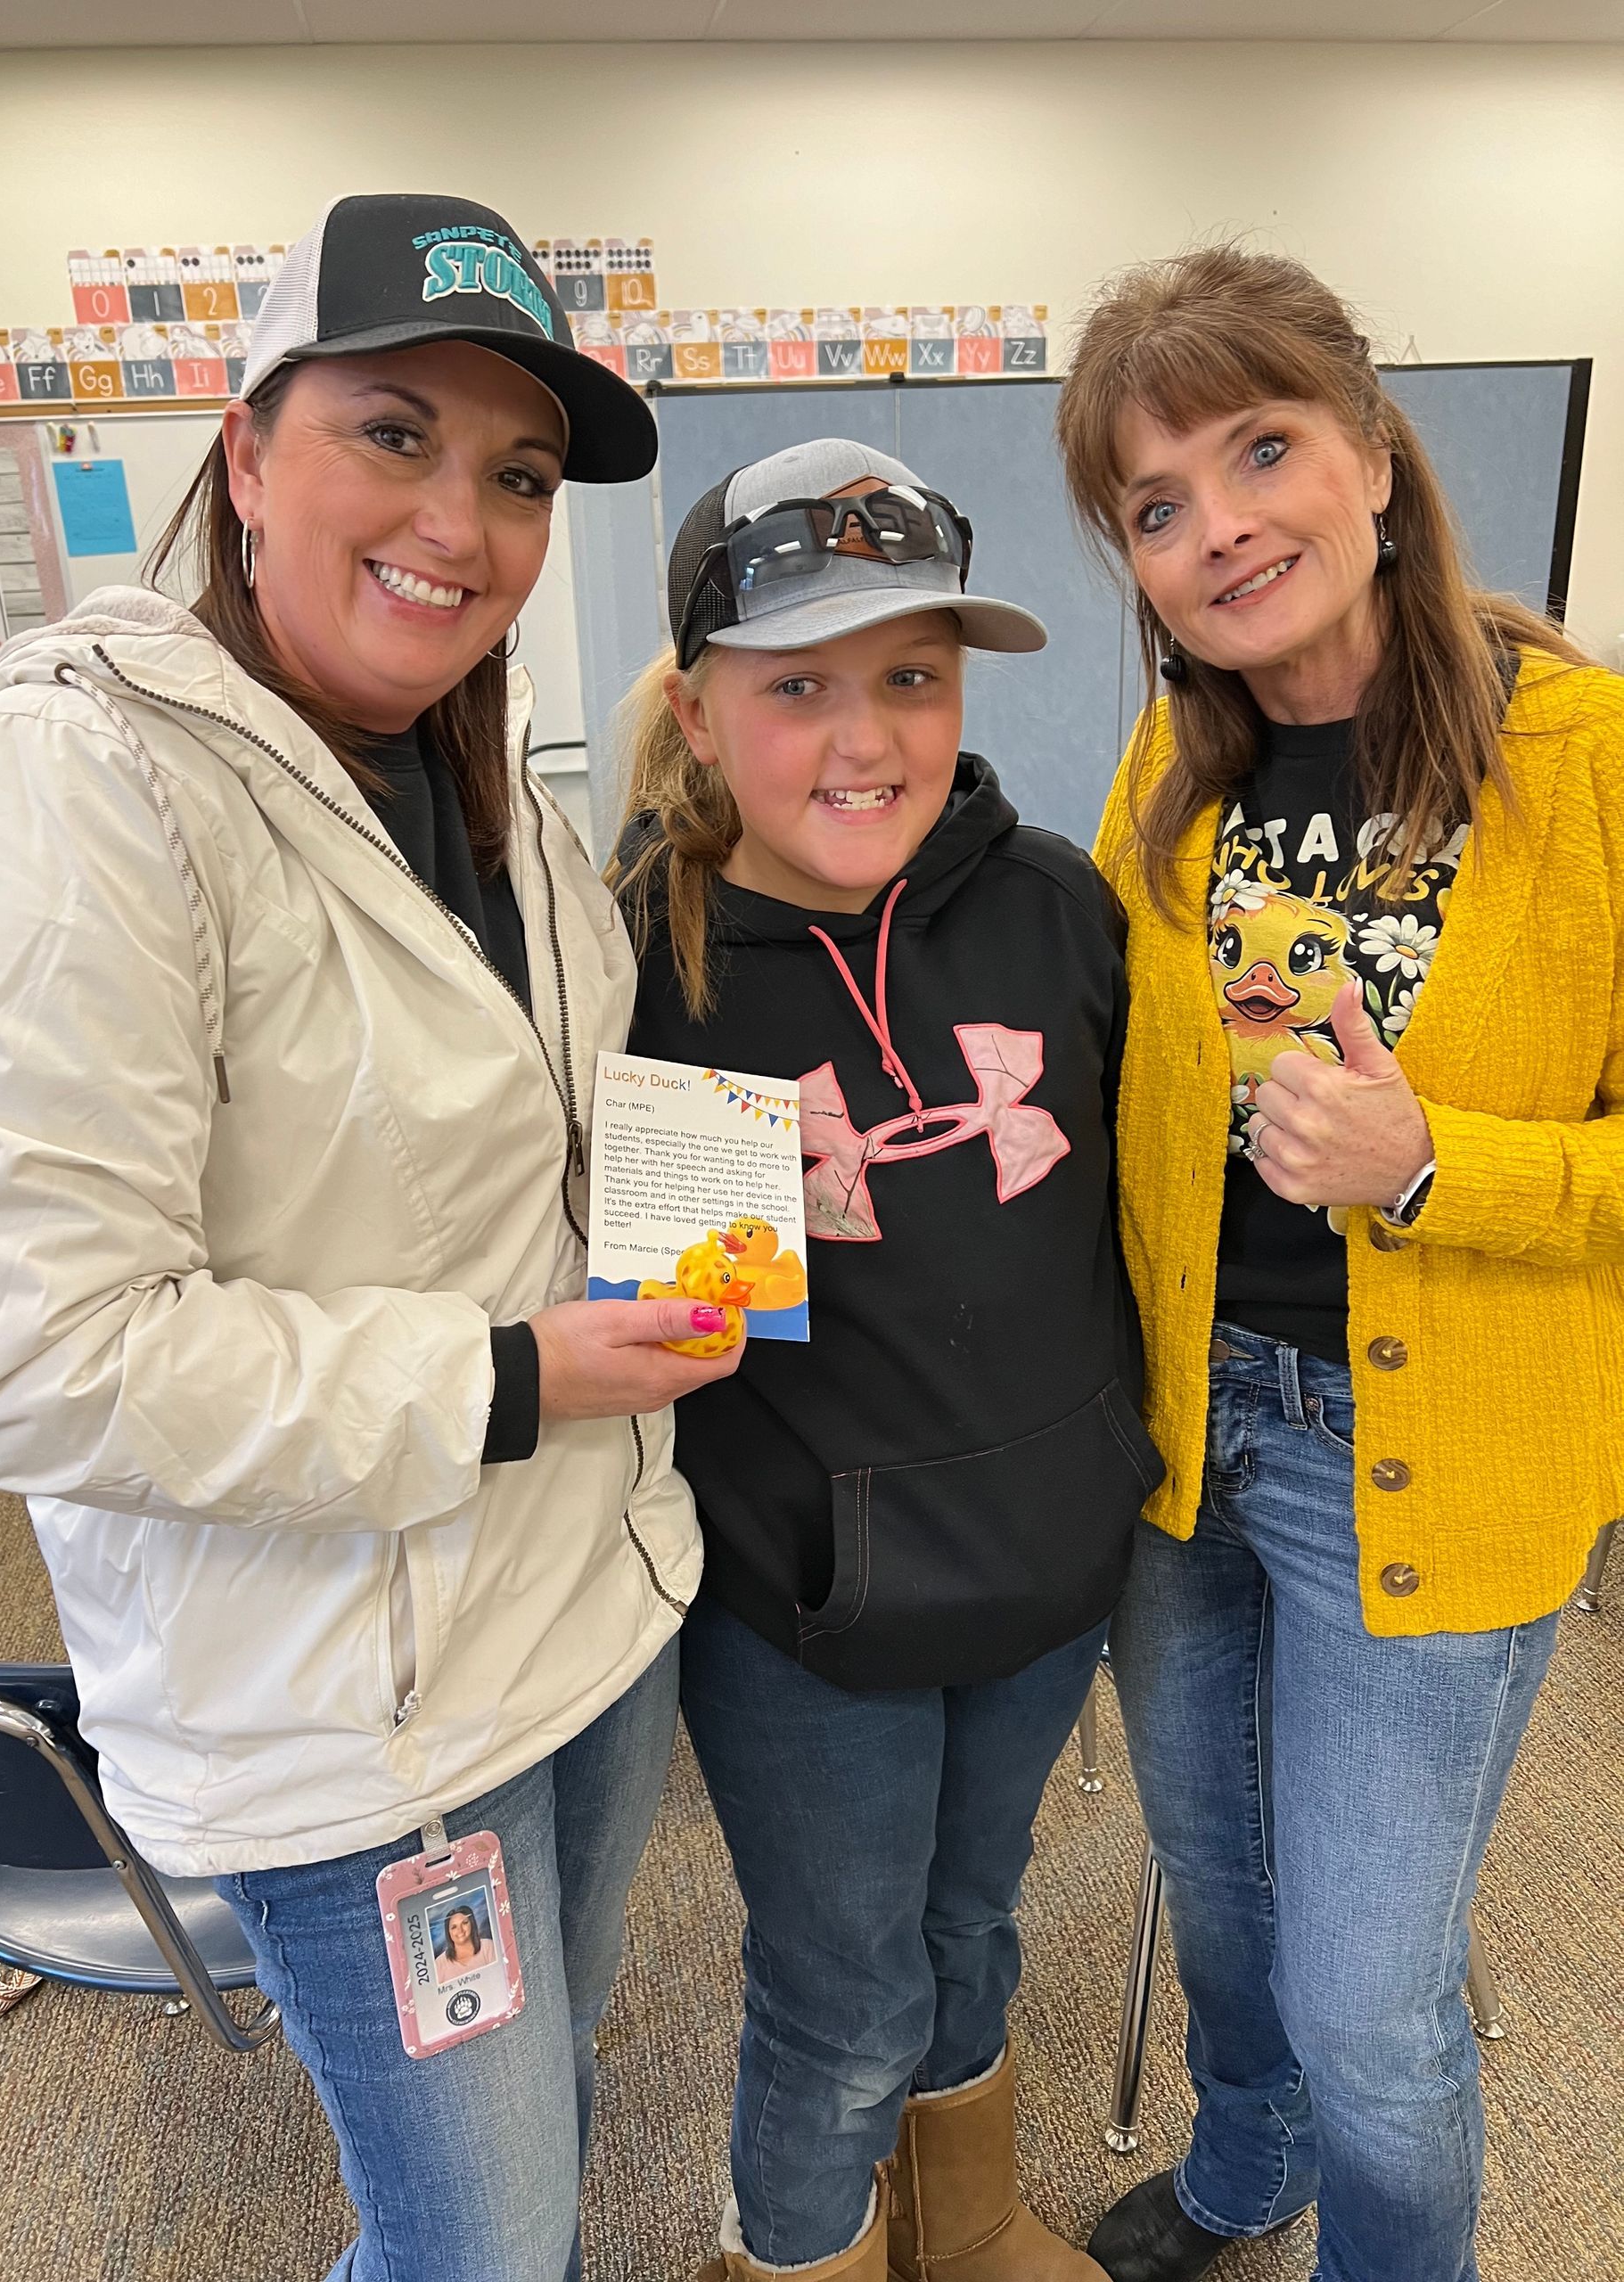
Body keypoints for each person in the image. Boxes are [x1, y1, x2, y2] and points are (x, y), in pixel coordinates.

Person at [0, 193, 745, 2282]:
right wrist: (513, 1370)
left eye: (519, 475)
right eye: (396, 433)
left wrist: (717, 1179)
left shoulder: (499, 792)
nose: (461, 524)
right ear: (251, 446)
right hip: (357, 1718)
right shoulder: (76, 780)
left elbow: (509, 1135)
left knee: (533, 2164)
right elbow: (27, 1350)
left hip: (583, 1611)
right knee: (473, 2240)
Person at [1054, 244, 1624, 2282]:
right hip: (1190, 1437)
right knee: (1219, 1899)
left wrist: (1430, 1164)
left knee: (1375, 1995)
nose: (1221, 527)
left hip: (1440, 1457)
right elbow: (1122, 1094)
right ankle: (1243, 2163)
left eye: (1261, 447)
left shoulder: (1584, 758)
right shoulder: (1171, 778)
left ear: (1373, 456)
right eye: (1154, 503)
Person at [613, 439, 1162, 2282]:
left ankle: (976, 2211)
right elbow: (680, 1339)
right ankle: (803, 2256)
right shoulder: (653, 965)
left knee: (975, 1925)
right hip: (806, 1609)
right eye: (800, 687)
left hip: (1042, 1567)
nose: (868, 737)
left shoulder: (1060, 908)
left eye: (911, 676)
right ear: (701, 712)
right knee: (843, 1986)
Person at [438, 1905, 495, 1979]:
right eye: (454, 1927)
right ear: (448, 1932)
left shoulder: (488, 1947)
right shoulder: (439, 1964)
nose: (460, 1930)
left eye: (464, 1923)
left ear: (472, 1923)